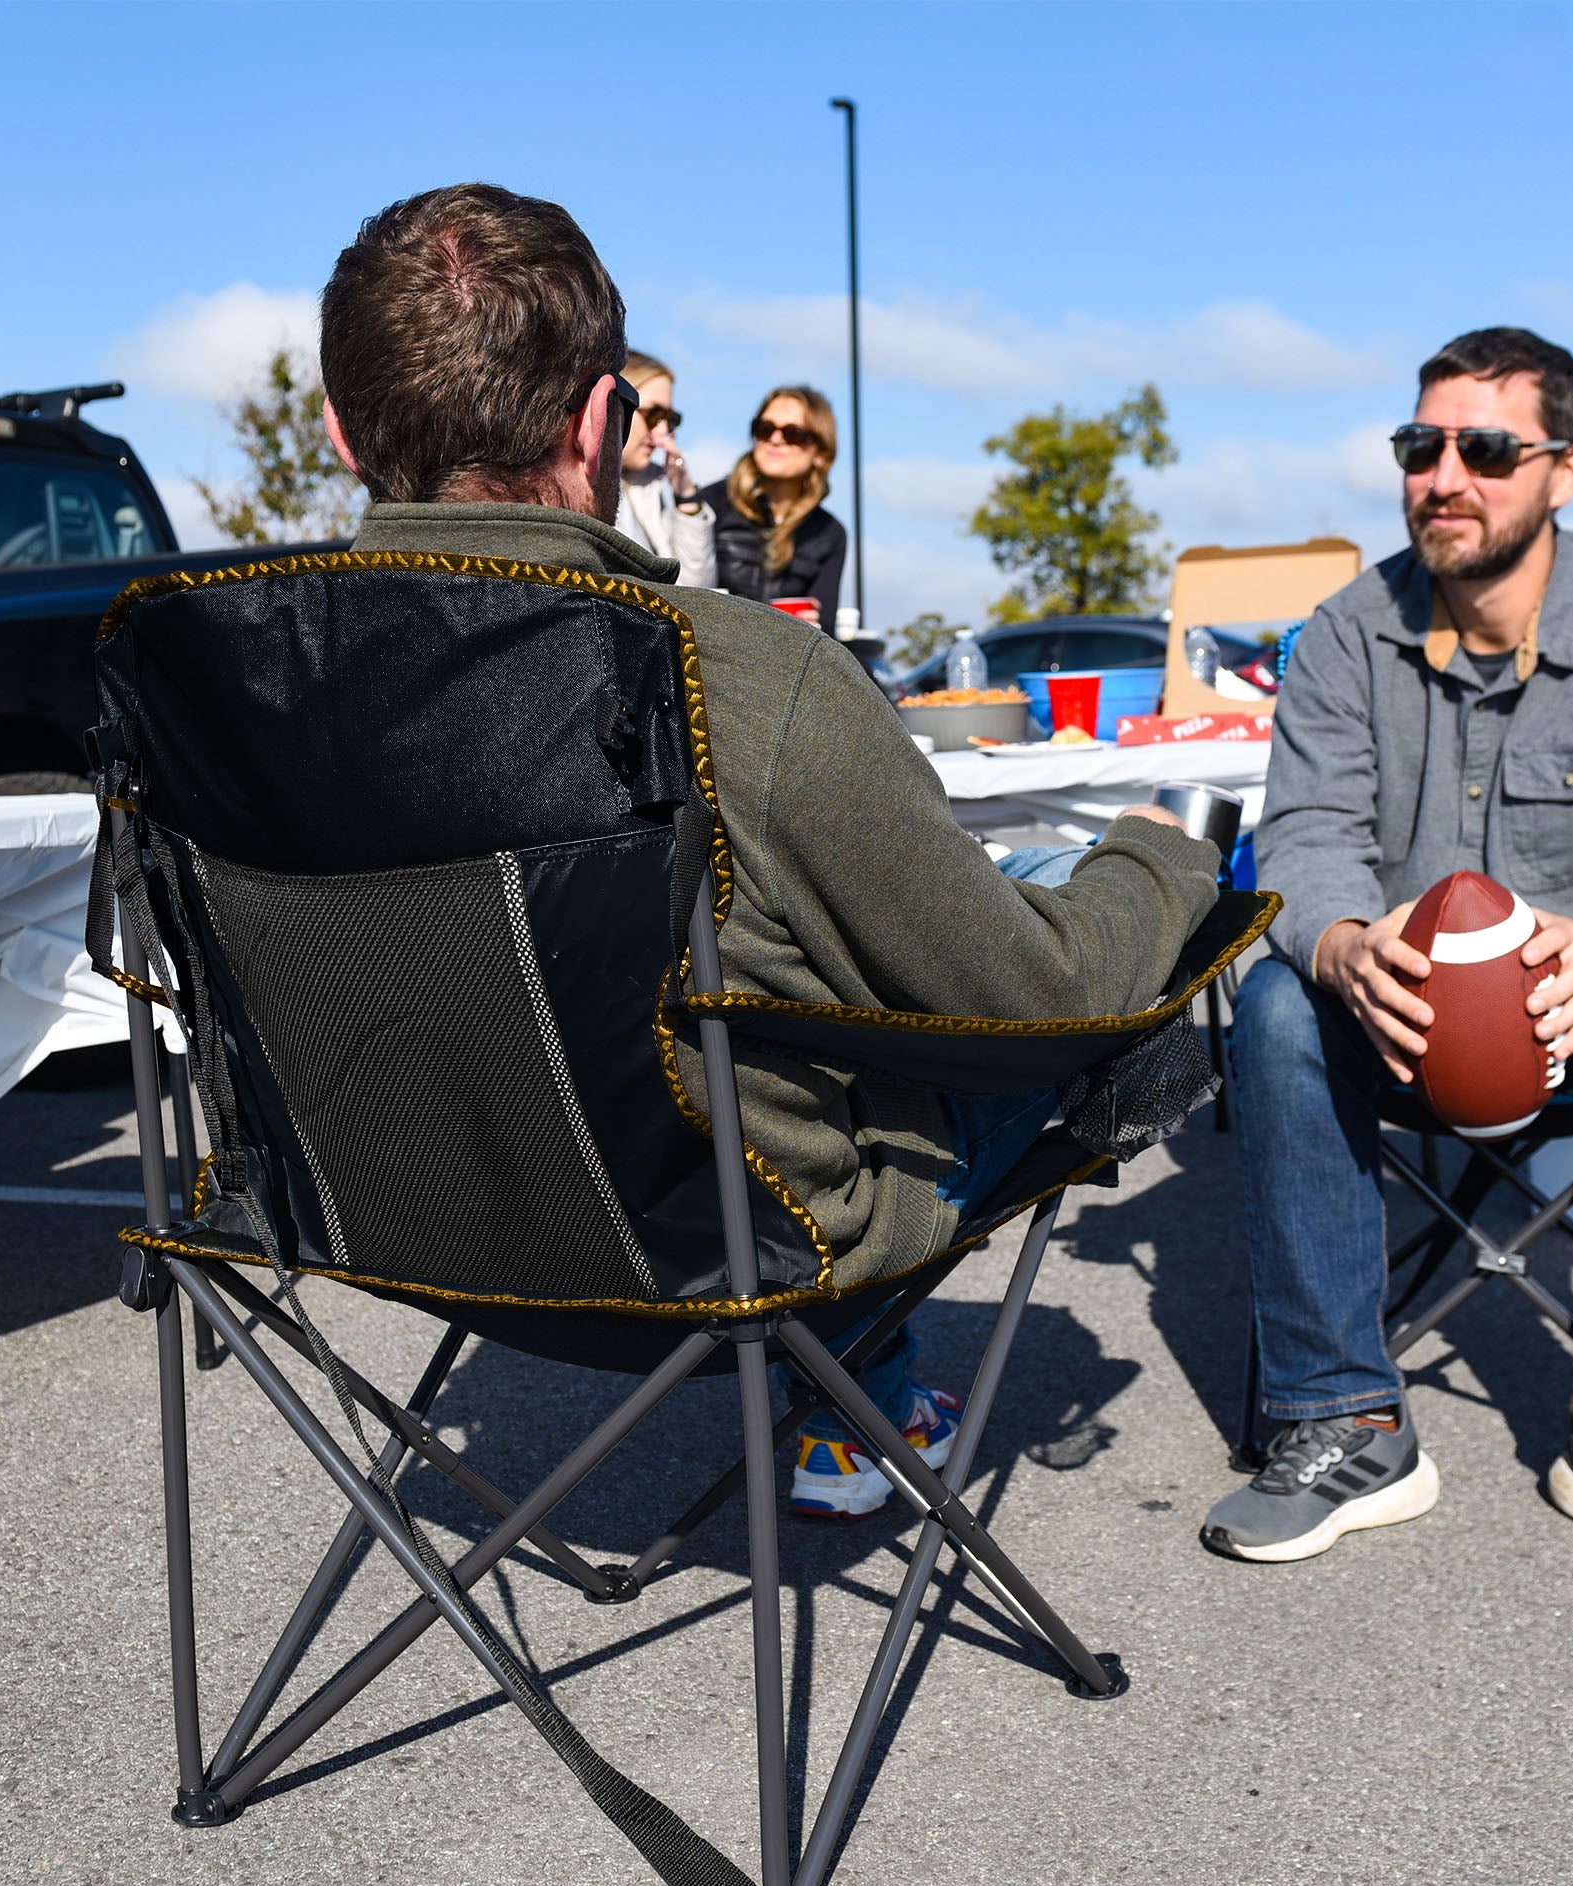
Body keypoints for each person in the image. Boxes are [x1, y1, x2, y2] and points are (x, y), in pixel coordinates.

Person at [317, 184, 1222, 1517]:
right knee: (1086, 945)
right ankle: (857, 1397)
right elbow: (1034, 993)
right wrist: (1160, 861)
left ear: (339, 431)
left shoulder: (238, 688)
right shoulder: (735, 675)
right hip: (728, 1241)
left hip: (389, 1218)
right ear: (598, 423)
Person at [1205, 327, 1573, 1581]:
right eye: (1420, 446)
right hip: (1396, 1022)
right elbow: (1302, 837)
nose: (1442, 477)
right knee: (1277, 998)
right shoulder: (1343, 632)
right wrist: (1343, 943)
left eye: (1482, 448)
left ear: (1565, 467)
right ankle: (1343, 1420)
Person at [700, 386, 847, 632]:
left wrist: (811, 627)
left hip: (789, 654)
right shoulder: (711, 503)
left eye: (793, 433)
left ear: (821, 453)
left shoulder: (830, 533)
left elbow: (827, 630)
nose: (776, 440)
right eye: (765, 429)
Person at [613, 350, 716, 586]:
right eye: (653, 415)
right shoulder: (574, 483)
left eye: (669, 419)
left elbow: (697, 591)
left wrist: (686, 496)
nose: (662, 432)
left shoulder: (654, 486)